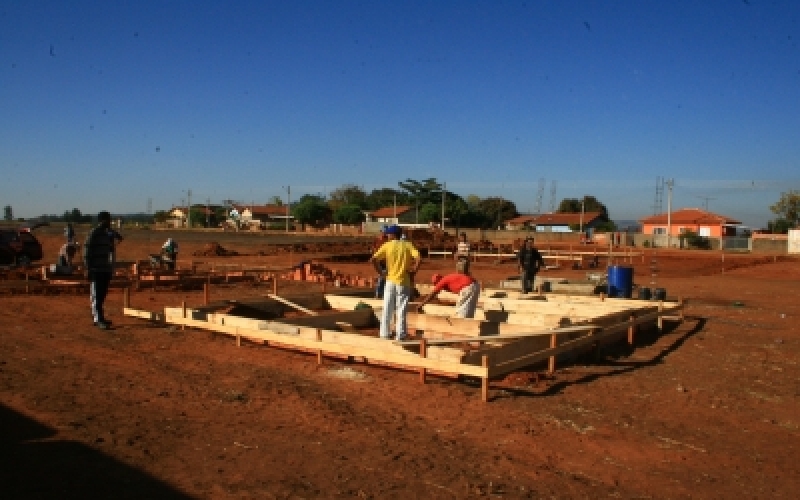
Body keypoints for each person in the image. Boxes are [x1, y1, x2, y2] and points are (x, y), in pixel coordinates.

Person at [369, 225, 421, 340]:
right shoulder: (408, 245)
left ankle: (384, 334)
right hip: (403, 281)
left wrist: (381, 273)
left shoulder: (387, 246)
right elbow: (418, 258)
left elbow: (373, 259)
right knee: (401, 309)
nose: (386, 235)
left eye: (388, 234)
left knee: (387, 307)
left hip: (390, 281)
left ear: (393, 235)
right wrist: (414, 271)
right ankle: (400, 335)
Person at [83, 211, 117, 330]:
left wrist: (111, 268)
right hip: (96, 268)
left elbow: (112, 248)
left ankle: (100, 317)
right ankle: (98, 319)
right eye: (108, 220)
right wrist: (87, 268)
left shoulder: (107, 234)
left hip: (105, 268)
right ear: (102, 220)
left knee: (102, 295)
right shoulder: (94, 233)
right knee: (96, 295)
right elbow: (87, 251)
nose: (109, 222)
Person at [373, 227, 388, 298]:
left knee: (384, 279)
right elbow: (375, 249)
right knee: (381, 278)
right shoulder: (377, 240)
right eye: (383, 232)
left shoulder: (388, 241)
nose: (384, 234)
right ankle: (378, 295)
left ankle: (381, 295)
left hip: (387, 262)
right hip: (381, 262)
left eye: (385, 233)